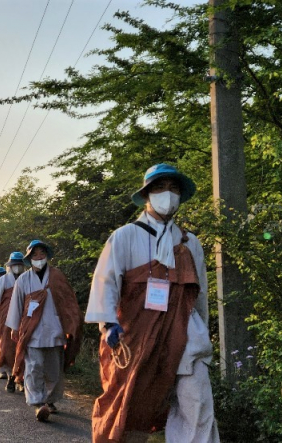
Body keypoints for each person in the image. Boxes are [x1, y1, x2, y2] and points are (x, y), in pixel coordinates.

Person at [85, 164, 219, 443]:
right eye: (159, 188)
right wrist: (108, 323)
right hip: (136, 333)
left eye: (173, 188)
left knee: (198, 401)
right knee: (131, 401)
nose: (167, 194)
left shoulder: (190, 242)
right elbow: (106, 281)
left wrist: (203, 331)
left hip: (185, 332)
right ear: (146, 195)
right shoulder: (125, 236)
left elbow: (200, 293)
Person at [7, 240, 82, 422]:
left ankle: (50, 400)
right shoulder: (24, 280)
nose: (39, 257)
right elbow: (16, 305)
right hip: (32, 332)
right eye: (35, 254)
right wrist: (14, 327)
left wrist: (71, 324)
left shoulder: (57, 276)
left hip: (55, 330)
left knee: (53, 370)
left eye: (42, 253)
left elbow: (68, 303)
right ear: (29, 258)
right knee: (34, 367)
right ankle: (38, 403)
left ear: (47, 255)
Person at [0, 252, 24, 392]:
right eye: (15, 265)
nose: (17, 267)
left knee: (25, 349)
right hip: (6, 320)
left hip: (25, 319)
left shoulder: (28, 279)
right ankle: (11, 377)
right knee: (8, 349)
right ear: (10, 266)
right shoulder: (2, 281)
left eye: (20, 264)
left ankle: (22, 378)